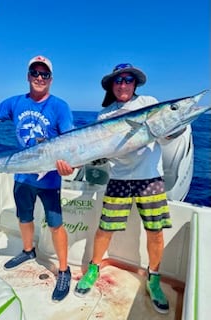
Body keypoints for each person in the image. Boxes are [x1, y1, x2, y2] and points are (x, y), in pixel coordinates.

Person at [0, 55, 75, 302]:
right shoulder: (14, 103)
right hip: (22, 174)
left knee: (55, 223)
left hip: (50, 180)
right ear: (28, 76)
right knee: (23, 217)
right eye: (34, 73)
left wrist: (71, 166)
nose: (39, 78)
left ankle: (64, 270)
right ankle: (28, 251)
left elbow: (72, 145)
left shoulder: (60, 107)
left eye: (44, 74)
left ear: (51, 79)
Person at [74, 63, 173, 314]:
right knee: (105, 229)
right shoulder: (105, 115)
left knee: (155, 231)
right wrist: (84, 159)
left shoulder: (149, 102)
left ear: (135, 83)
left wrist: (176, 119)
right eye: (118, 80)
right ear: (112, 85)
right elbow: (101, 153)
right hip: (119, 178)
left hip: (150, 178)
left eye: (128, 79)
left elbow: (168, 134)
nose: (123, 84)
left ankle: (154, 278)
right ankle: (94, 267)